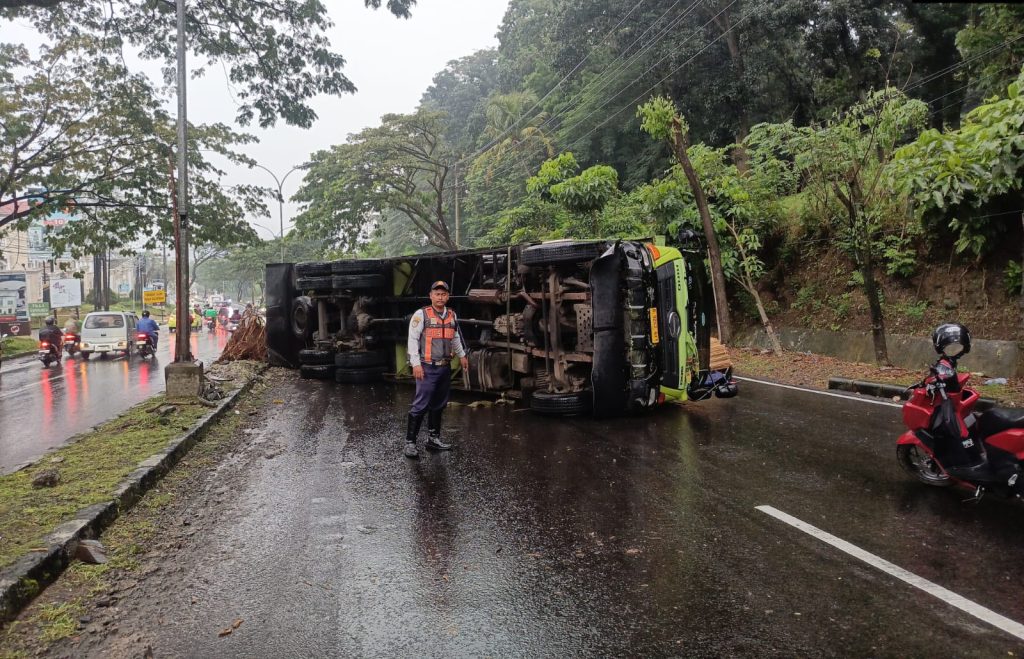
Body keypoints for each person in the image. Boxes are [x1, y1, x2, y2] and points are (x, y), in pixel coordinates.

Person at [403, 280, 469, 459]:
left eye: (443, 294)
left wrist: (462, 355)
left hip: (444, 368)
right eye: (437, 294)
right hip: (426, 368)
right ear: (431, 296)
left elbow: (455, 337)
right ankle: (410, 442)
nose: (440, 297)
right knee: (420, 405)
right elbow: (412, 340)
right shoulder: (421, 315)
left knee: (439, 404)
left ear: (448, 296)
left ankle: (433, 439)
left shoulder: (451, 316)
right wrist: (415, 364)